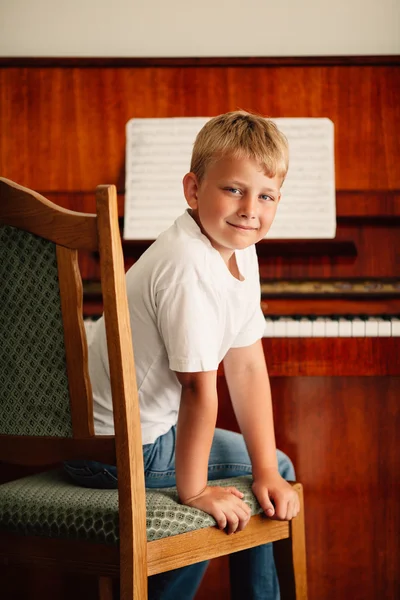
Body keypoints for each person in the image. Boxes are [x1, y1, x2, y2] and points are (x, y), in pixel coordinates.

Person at [65, 111, 300, 599]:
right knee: (256, 478)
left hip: (129, 435)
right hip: (117, 449)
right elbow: (197, 387)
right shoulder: (188, 264)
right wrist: (195, 492)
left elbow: (247, 363)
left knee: (267, 472)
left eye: (266, 196)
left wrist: (264, 472)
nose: (249, 209)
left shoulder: (238, 244)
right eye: (233, 189)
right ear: (193, 190)